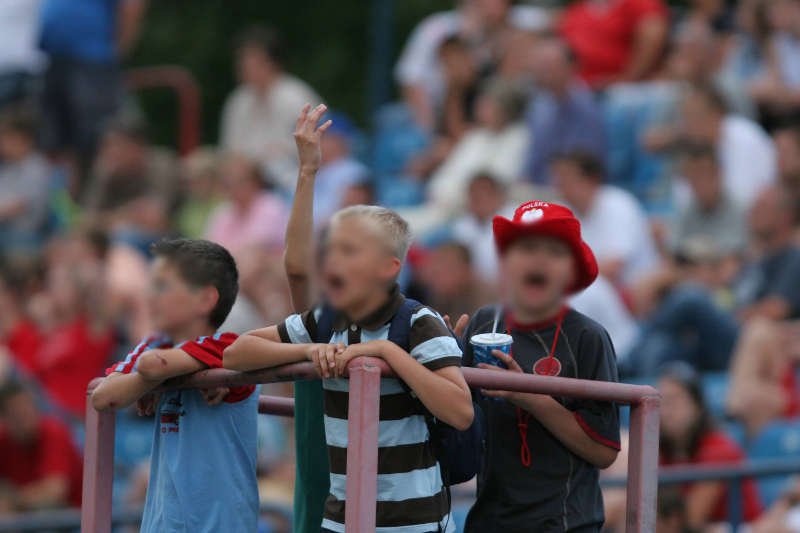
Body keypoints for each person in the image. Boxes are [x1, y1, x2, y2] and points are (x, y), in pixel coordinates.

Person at [224, 106, 474, 532]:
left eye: (351, 251)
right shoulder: (326, 319)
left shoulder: (419, 321)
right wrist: (309, 349)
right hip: (341, 521)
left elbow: (461, 411)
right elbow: (235, 352)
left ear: (389, 267)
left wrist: (386, 353)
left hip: (413, 524)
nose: (335, 260)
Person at [460, 199, 620, 532]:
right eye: (527, 248)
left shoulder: (588, 336)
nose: (539, 259)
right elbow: (458, 416)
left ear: (572, 270)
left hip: (565, 524)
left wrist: (527, 394)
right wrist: (442, 358)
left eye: (554, 252)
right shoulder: (484, 322)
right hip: (488, 521)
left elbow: (604, 452)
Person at [90, 238, 259, 533]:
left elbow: (151, 366)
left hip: (220, 524)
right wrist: (152, 383)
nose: (150, 296)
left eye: (163, 286)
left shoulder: (227, 347)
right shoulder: (155, 344)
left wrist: (152, 380)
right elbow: (104, 397)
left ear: (205, 300)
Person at [38, 0, 147, 174]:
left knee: (96, 135)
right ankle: (64, 193)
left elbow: (132, 6)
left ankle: (95, 190)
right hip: (53, 58)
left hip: (93, 59)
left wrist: (116, 51)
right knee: (56, 138)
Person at [659, 363, 762, 528]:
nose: (665, 411)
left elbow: (690, 519)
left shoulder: (719, 449)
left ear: (697, 406)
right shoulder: (660, 452)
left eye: (674, 400)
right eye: (660, 402)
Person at [220, 25, 321, 192]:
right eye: (242, 60)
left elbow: (309, 150)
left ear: (272, 63)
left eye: (251, 59)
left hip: (289, 178)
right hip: (246, 180)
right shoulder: (238, 100)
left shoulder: (295, 97)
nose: (243, 66)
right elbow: (230, 150)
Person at [550, 151, 659, 288]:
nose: (559, 185)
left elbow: (614, 267)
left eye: (567, 177)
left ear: (591, 180)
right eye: (558, 178)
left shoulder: (618, 203)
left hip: (632, 290)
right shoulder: (561, 210)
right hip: (593, 288)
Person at [523, 36, 606, 184]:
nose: (541, 71)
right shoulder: (538, 105)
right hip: (537, 187)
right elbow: (532, 159)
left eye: (548, 65)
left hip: (569, 190)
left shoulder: (586, 108)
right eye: (539, 64)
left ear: (570, 67)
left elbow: (587, 165)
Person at [0, 379, 83, 512]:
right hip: (28, 516)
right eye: (16, 414)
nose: (24, 417)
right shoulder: (3, 439)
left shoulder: (54, 432)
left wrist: (13, 500)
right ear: (3, 419)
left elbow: (55, 492)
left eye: (26, 409)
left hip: (71, 514)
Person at [559, 0, 669, 89]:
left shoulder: (641, 4)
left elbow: (652, 38)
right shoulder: (578, 9)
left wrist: (627, 80)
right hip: (576, 87)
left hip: (617, 91)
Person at [204, 153, 289, 259]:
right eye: (228, 182)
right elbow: (209, 249)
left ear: (255, 181)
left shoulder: (271, 206)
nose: (232, 186)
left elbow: (257, 249)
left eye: (239, 181)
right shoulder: (223, 211)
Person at [670, 142, 747, 255]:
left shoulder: (741, 210)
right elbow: (674, 254)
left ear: (719, 174)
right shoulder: (686, 211)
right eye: (694, 176)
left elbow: (734, 259)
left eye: (704, 174)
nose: (700, 183)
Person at [0, 109, 52, 253]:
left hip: (25, 237)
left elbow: (19, 207)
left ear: (24, 139)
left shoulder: (37, 168)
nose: (2, 143)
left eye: (8, 138)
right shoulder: (7, 168)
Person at [312, 112, 369, 227]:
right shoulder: (313, 170)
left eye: (324, 138)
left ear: (340, 140)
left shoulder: (354, 172)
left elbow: (352, 212)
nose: (316, 142)